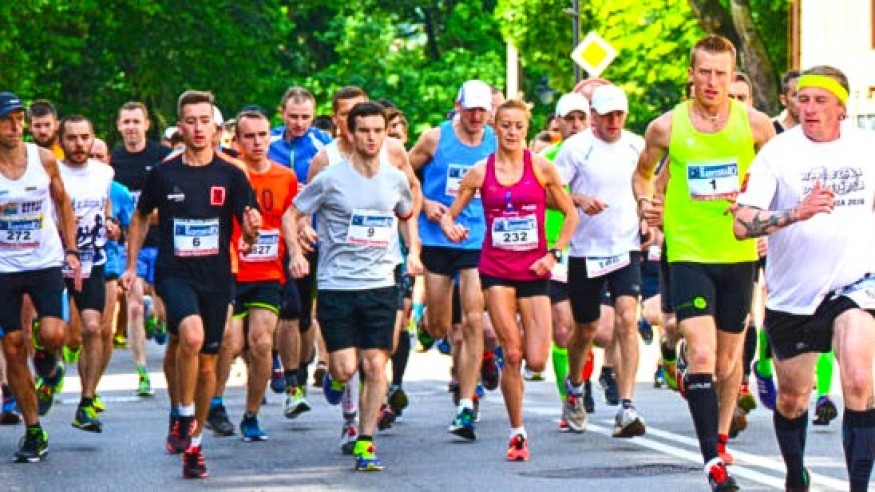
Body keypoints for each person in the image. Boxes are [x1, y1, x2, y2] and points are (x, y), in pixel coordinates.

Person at [632, 35, 775, 491]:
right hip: (689, 253)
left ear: (732, 77)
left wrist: (765, 222)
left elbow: (776, 179)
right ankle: (712, 459)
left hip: (737, 253)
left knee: (729, 362)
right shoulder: (665, 127)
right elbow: (643, 173)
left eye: (721, 74)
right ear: (691, 74)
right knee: (704, 354)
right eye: (705, 72)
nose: (712, 82)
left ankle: (720, 434)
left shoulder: (756, 126)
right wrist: (646, 202)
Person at [733, 65, 875, 492]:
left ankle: (859, 485)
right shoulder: (778, 154)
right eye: (803, 99)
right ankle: (796, 473)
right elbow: (741, 223)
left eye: (820, 100)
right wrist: (796, 213)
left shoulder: (866, 147)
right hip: (794, 294)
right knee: (793, 398)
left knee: (859, 380)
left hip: (856, 283)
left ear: (841, 108)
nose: (808, 108)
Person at [120, 90, 260, 479]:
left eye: (205, 121)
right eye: (191, 121)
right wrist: (131, 265)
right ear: (180, 126)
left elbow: (248, 227)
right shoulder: (164, 173)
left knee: (209, 363)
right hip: (175, 272)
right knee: (191, 338)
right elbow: (141, 216)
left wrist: (251, 231)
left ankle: (194, 445)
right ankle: (182, 414)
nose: (198, 128)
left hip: (216, 276)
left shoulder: (232, 174)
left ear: (216, 128)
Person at [440, 98, 576, 460]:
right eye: (505, 126)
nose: (512, 132)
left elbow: (570, 214)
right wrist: (451, 227)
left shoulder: (542, 168)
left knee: (537, 360)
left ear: (527, 130)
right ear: (495, 128)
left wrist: (554, 253)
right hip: (496, 270)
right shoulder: (479, 172)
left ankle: (494, 359)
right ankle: (517, 433)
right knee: (513, 353)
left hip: (534, 270)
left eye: (519, 126)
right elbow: (450, 214)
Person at [288, 101, 421, 471]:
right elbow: (292, 214)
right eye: (364, 131)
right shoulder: (331, 176)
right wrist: (296, 251)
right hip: (338, 284)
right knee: (346, 367)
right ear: (350, 132)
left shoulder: (394, 178)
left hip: (380, 281)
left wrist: (413, 251)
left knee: (376, 363)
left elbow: (407, 214)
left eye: (378, 131)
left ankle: (365, 441)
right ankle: (333, 376)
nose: (372, 138)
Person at [555, 84, 650, 438]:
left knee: (627, 317)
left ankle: (627, 405)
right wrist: (577, 199)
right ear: (593, 115)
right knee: (586, 329)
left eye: (619, 115)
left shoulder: (637, 145)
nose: (613, 121)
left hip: (626, 246)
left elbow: (648, 184)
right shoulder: (576, 148)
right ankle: (575, 386)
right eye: (607, 115)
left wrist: (649, 219)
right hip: (586, 250)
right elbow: (550, 193)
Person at [408, 79, 498, 441]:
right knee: (440, 325)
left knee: (473, 320)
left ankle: (466, 402)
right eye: (470, 109)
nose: (476, 117)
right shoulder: (435, 139)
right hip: (437, 237)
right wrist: (426, 204)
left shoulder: (496, 142)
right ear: (458, 106)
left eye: (482, 111)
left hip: (477, 238)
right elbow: (404, 174)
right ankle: (426, 325)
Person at [0, 91, 81, 462]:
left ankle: (49, 360)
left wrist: (72, 249)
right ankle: (34, 430)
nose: (14, 126)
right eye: (6, 120)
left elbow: (62, 202)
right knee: (12, 346)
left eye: (18, 118)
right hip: (4, 267)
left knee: (52, 333)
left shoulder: (43, 159)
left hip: (44, 260)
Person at [209, 109, 298, 441]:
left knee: (261, 342)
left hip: (267, 272)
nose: (257, 142)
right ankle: (215, 403)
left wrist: (300, 238)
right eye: (249, 136)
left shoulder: (285, 177)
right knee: (229, 343)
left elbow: (294, 215)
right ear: (236, 141)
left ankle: (251, 414)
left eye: (263, 135)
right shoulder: (227, 174)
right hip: (231, 270)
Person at [57, 115, 117, 432]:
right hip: (54, 261)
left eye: (84, 137)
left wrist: (110, 223)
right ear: (61, 141)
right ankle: (48, 371)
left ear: (93, 138)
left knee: (93, 328)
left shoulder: (104, 173)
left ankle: (86, 400)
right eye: (72, 138)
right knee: (54, 333)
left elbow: (105, 206)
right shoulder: (52, 172)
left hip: (91, 260)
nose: (79, 144)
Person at [111, 101, 172, 396]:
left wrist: (145, 215)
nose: (132, 127)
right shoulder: (113, 163)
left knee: (164, 306)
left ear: (147, 124)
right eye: (127, 122)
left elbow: (172, 201)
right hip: (129, 244)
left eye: (137, 121)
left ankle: (158, 321)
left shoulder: (161, 157)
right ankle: (142, 371)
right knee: (133, 306)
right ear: (119, 126)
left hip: (161, 241)